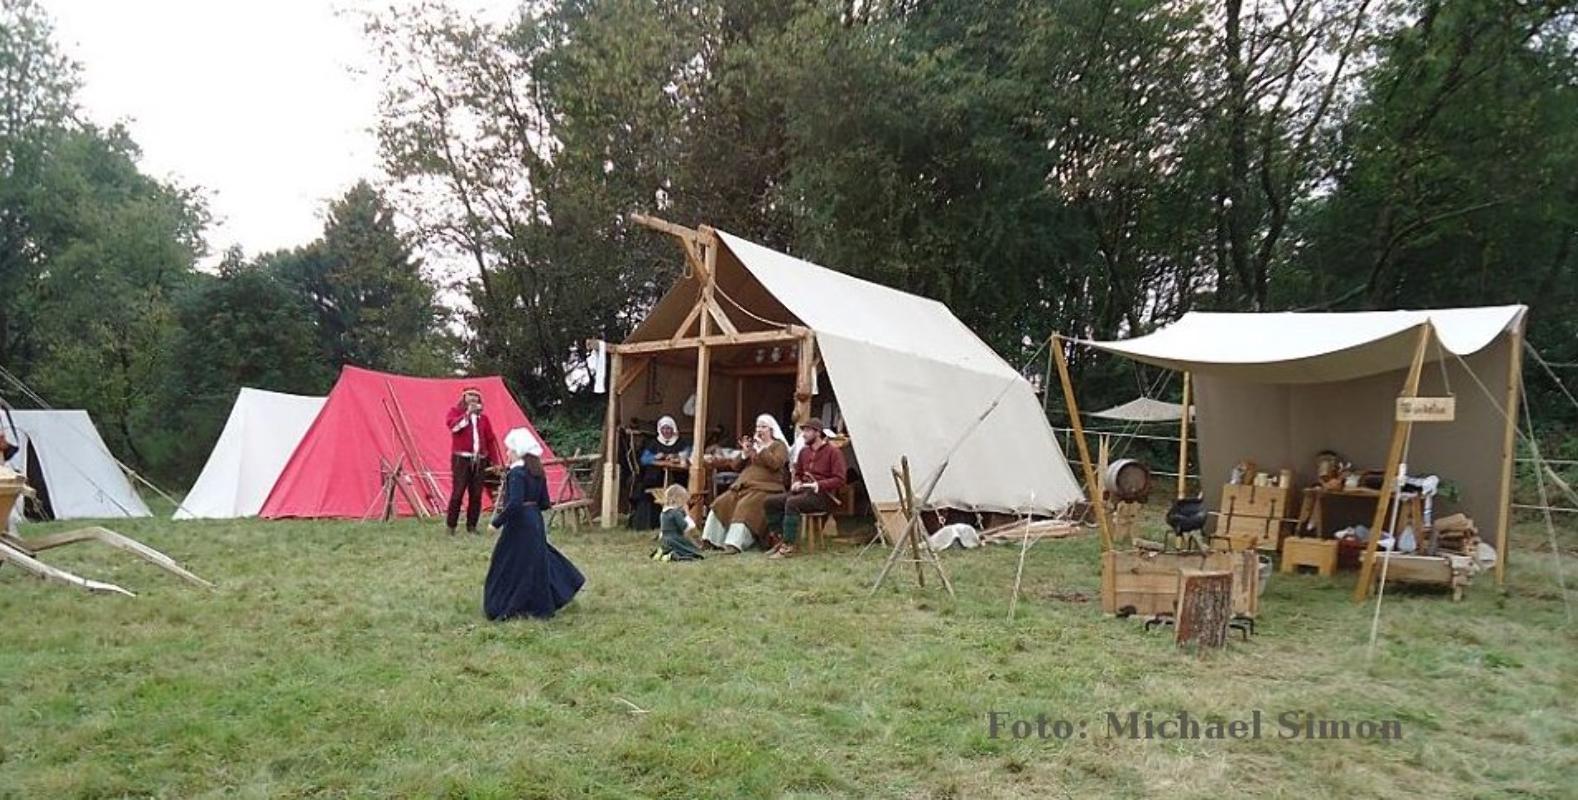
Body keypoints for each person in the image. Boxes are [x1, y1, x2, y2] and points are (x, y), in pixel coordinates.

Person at [484, 428, 585, 620]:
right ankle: (548, 595)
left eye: (509, 450)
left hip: (520, 523)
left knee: (510, 562)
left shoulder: (517, 473)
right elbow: (545, 503)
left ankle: (508, 604)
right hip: (535, 520)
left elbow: (515, 504)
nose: (507, 453)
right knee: (534, 561)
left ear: (518, 451)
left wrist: (496, 523)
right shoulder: (537, 472)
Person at [700, 413, 790, 553]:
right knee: (720, 503)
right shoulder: (754, 446)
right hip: (744, 486)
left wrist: (762, 449)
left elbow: (775, 464)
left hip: (766, 488)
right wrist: (744, 453)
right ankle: (710, 540)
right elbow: (735, 466)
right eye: (758, 426)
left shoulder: (779, 446)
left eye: (763, 427)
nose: (759, 430)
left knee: (745, 507)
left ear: (771, 429)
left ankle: (735, 544)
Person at [764, 418, 847, 559]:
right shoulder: (804, 452)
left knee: (792, 503)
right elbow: (799, 474)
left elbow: (840, 479)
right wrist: (797, 482)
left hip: (824, 496)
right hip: (803, 492)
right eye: (804, 431)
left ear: (818, 433)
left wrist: (819, 484)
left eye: (808, 431)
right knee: (770, 502)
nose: (804, 434)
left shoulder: (833, 452)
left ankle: (788, 546)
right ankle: (780, 540)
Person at [445, 387, 502, 536]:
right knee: (458, 493)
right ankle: (451, 526)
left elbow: (490, 440)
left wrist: (495, 461)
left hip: (480, 459)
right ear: (464, 397)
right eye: (470, 395)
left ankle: (472, 526)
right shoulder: (455, 412)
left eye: (476, 396)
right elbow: (453, 427)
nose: (473, 398)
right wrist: (467, 414)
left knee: (476, 495)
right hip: (461, 458)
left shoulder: (484, 419)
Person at [629, 415, 690, 530]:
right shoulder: (654, 443)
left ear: (673, 429)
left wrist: (676, 456)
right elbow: (643, 459)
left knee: (677, 487)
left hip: (677, 475)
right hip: (655, 477)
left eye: (668, 428)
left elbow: (688, 453)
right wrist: (655, 457)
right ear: (659, 429)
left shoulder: (680, 442)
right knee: (647, 488)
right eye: (663, 429)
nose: (666, 431)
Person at [652, 484, 705, 562]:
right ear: (678, 499)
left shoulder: (664, 512)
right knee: (691, 550)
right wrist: (687, 516)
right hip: (675, 539)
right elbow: (684, 526)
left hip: (665, 539)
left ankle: (663, 554)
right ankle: (672, 555)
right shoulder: (675, 513)